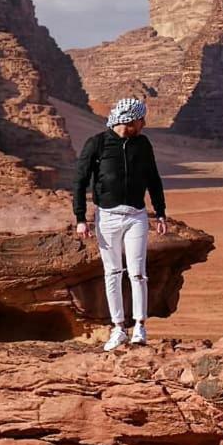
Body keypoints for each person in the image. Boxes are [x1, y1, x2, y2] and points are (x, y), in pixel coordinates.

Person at [73, 98, 168, 351]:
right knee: (113, 273)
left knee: (138, 273)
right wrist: (81, 218)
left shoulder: (143, 144)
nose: (144, 124)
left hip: (136, 215)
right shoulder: (98, 143)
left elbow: (153, 179)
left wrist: (160, 212)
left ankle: (140, 327)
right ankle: (118, 329)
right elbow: (80, 181)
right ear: (128, 120)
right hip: (107, 217)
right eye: (140, 120)